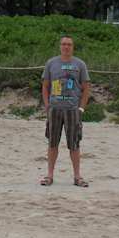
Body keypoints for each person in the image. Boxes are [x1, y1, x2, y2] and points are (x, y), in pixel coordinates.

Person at [40, 35, 90, 187]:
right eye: (63, 44)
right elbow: (45, 86)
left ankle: (77, 176)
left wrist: (81, 107)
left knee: (74, 144)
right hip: (55, 108)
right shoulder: (51, 63)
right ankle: (49, 175)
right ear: (60, 46)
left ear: (72, 47)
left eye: (69, 44)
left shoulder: (79, 64)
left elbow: (86, 87)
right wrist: (47, 105)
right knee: (52, 142)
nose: (66, 47)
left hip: (72, 109)